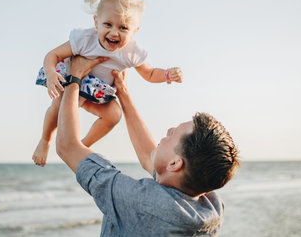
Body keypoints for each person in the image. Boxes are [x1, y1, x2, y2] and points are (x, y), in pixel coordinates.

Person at [56, 55, 240, 236]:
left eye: (174, 134)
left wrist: (74, 78)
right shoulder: (210, 206)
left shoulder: (143, 202)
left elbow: (67, 147)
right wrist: (123, 93)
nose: (168, 130)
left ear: (175, 164)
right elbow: (148, 156)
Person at [32, 0, 183, 167]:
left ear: (134, 31)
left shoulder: (131, 51)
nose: (114, 33)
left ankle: (83, 145)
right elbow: (53, 55)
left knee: (114, 115)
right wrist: (51, 73)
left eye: (123, 28)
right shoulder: (85, 39)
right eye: (108, 25)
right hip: (73, 84)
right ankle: (45, 139)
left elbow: (149, 73)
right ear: (96, 22)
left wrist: (166, 75)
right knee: (57, 104)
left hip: (98, 93)